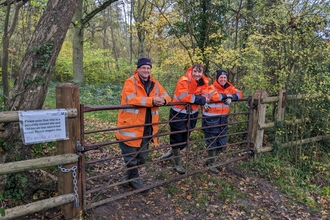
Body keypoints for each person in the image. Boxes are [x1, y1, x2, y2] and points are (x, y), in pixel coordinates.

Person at [116, 57, 171, 190]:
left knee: (142, 157)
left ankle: (128, 177)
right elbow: (131, 99)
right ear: (138, 69)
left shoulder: (154, 83)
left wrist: (163, 101)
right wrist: (152, 101)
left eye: (148, 68)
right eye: (143, 68)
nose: (146, 70)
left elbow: (167, 96)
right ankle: (135, 181)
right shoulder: (130, 82)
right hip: (131, 126)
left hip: (148, 127)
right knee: (131, 156)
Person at [160, 64, 220, 174]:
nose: (197, 74)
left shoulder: (204, 83)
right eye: (195, 71)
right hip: (178, 113)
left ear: (202, 73)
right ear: (191, 71)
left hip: (192, 114)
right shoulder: (184, 81)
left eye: (199, 72)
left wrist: (203, 99)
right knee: (176, 136)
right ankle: (177, 163)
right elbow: (184, 96)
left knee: (186, 136)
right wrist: (200, 99)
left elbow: (206, 96)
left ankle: (172, 152)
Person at [202, 69, 242, 174]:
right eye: (221, 77)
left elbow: (239, 93)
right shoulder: (211, 87)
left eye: (225, 77)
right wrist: (226, 96)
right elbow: (215, 97)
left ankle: (210, 160)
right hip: (210, 119)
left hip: (223, 119)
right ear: (217, 78)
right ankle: (211, 164)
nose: (223, 79)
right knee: (212, 142)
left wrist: (232, 97)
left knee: (221, 143)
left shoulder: (229, 87)